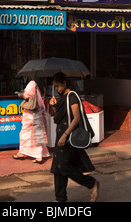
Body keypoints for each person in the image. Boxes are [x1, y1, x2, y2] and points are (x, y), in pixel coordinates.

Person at [49, 72, 99, 202]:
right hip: (61, 136)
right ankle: (60, 198)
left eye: (58, 86)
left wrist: (65, 135)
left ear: (64, 83)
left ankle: (91, 183)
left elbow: (76, 118)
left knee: (64, 167)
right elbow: (60, 117)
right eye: (54, 87)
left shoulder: (72, 96)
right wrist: (54, 106)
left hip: (68, 137)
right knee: (58, 168)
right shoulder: (62, 98)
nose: (56, 89)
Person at [13, 79, 50, 163]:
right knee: (38, 134)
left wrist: (20, 94)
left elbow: (26, 95)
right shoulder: (42, 86)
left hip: (31, 112)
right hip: (40, 111)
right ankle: (40, 155)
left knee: (24, 132)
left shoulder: (32, 83)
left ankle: (22, 153)